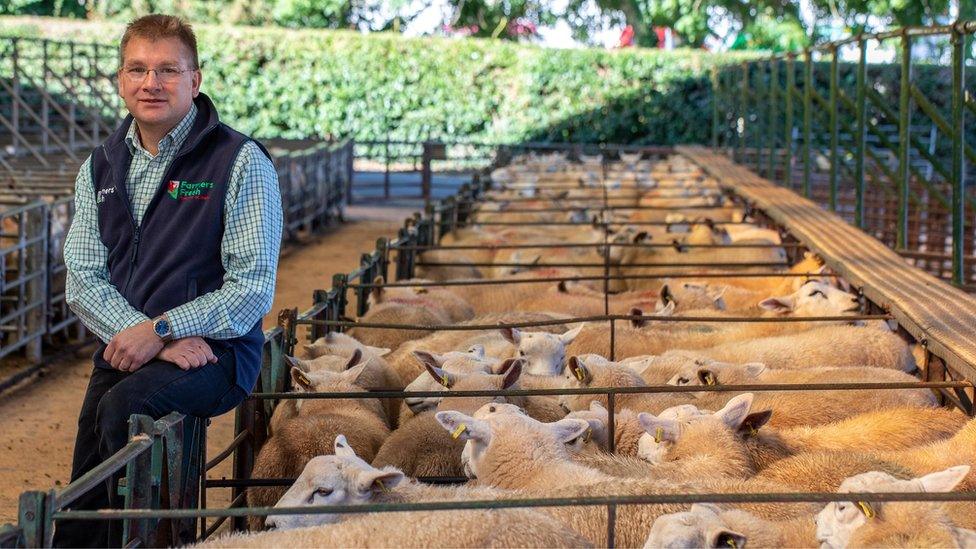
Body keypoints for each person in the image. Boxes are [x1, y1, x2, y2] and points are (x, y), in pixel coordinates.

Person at [55, 14, 282, 547]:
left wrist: (162, 328)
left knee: (123, 410)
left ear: (194, 80)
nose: (150, 83)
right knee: (82, 488)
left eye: (167, 70)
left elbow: (250, 289)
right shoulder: (100, 167)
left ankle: (148, 539)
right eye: (137, 69)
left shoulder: (240, 161)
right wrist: (149, 336)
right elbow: (84, 278)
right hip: (132, 346)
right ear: (120, 79)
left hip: (219, 353)